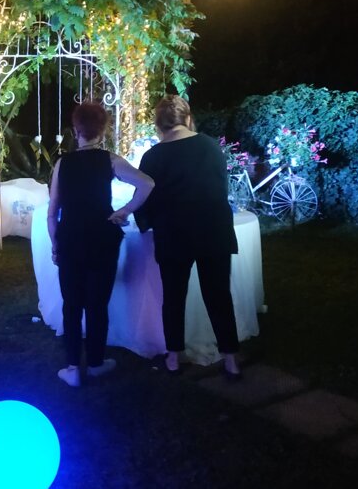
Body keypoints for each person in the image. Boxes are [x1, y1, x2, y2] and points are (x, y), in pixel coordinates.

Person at [135, 94, 243, 380]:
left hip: (174, 234)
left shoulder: (152, 156)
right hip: (214, 230)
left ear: (159, 124)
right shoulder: (211, 146)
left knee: (173, 297)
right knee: (219, 296)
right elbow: (220, 187)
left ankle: (173, 357)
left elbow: (144, 198)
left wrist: (144, 223)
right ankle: (231, 359)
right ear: (187, 117)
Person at [47, 102, 155, 387]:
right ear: (103, 130)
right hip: (101, 238)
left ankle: (73, 367)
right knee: (97, 304)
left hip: (70, 238)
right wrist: (125, 211)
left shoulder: (63, 163)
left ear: (76, 130)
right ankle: (95, 363)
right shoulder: (110, 160)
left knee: (71, 304)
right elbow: (147, 184)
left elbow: (52, 212)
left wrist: (55, 244)